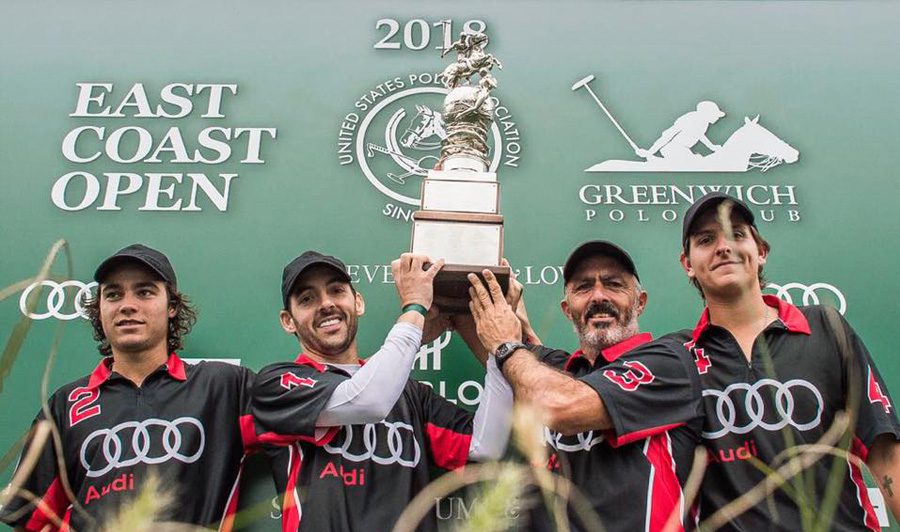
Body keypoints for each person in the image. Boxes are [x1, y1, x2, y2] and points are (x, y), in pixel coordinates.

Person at [674, 192, 900, 530]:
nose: (724, 247)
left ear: (760, 251)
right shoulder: (679, 357)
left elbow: (885, 453)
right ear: (688, 263)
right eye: (706, 240)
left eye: (737, 234)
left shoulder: (826, 327)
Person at [0, 244, 257, 532]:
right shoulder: (65, 403)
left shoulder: (223, 386)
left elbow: (306, 414)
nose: (127, 305)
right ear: (99, 309)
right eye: (113, 294)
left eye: (144, 292)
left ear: (171, 307)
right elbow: (30, 518)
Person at [251, 251, 513, 532]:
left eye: (337, 291)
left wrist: (500, 346)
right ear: (287, 320)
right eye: (307, 299)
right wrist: (415, 309)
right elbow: (369, 400)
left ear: (358, 302)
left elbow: (486, 445)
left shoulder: (409, 394)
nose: (326, 304)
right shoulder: (279, 382)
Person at [464, 241, 703, 532]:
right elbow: (493, 345)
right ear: (567, 309)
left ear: (640, 301)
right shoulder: (556, 368)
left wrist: (507, 343)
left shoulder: (668, 361)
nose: (598, 296)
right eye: (583, 287)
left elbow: (555, 402)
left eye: (614, 284)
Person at [636, 101, 725, 162]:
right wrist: (650, 152)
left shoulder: (704, 122)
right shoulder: (689, 119)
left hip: (683, 149)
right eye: (715, 115)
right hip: (672, 148)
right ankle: (656, 161)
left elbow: (700, 135)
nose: (717, 118)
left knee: (697, 161)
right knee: (693, 163)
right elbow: (668, 135)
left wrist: (712, 147)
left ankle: (659, 161)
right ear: (706, 113)